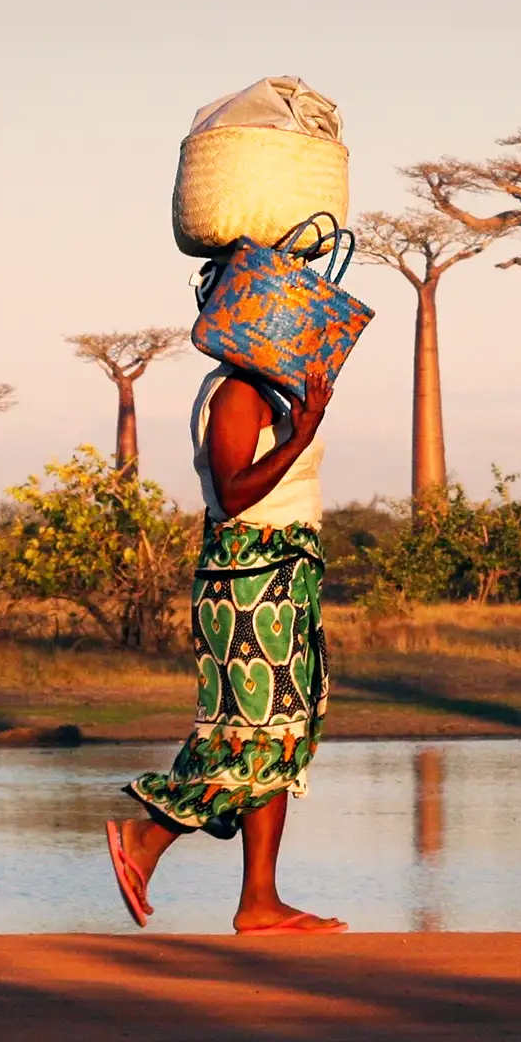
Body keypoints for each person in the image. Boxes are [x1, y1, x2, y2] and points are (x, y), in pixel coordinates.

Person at [105, 360, 345, 934]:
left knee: (275, 736)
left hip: (280, 579)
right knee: (256, 737)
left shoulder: (268, 390)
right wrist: (305, 432)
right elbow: (236, 493)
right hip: (252, 583)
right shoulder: (238, 391)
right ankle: (147, 838)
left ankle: (259, 900)